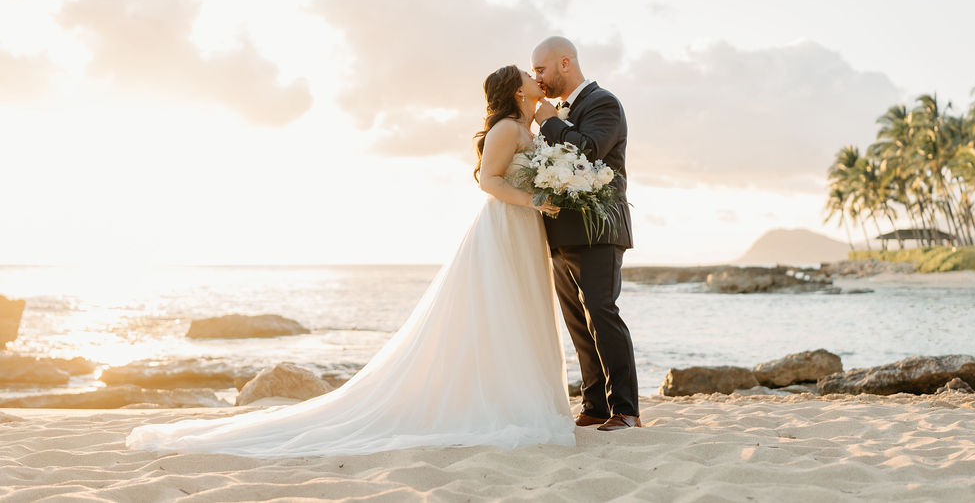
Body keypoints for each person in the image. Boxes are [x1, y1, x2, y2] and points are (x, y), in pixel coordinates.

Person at [125, 65, 575, 457]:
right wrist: (534, 199)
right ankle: (503, 404)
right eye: (526, 74)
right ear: (516, 90)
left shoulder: (528, 128)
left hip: (523, 229)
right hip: (503, 228)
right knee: (500, 313)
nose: (534, 78)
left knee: (522, 312)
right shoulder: (505, 131)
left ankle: (521, 397)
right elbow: (488, 181)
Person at [531, 36, 640, 431]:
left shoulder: (603, 103)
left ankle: (626, 409)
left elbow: (589, 149)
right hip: (562, 232)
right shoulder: (556, 113)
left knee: (602, 313)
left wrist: (550, 122)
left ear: (565, 63)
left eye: (540, 69)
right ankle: (594, 403)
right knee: (577, 320)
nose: (536, 77)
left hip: (598, 230)